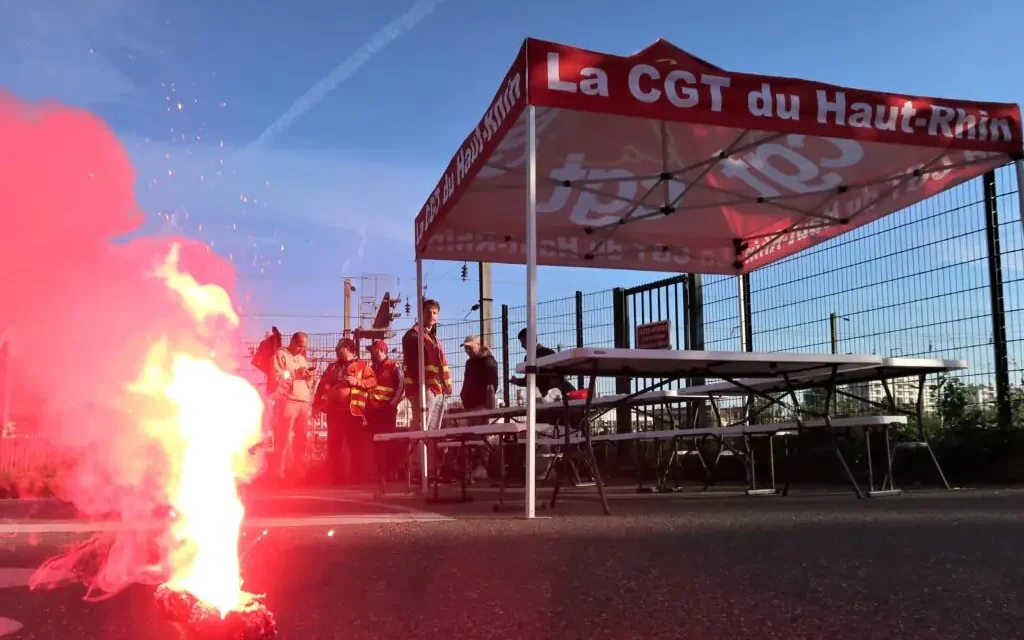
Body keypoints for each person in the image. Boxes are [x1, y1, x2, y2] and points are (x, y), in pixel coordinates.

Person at [313, 338, 376, 485]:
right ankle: (336, 478)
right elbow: (321, 385)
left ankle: (357, 477)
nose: (336, 350)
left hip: (353, 413)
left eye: (339, 347)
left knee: (356, 446)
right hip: (334, 413)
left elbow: (373, 381)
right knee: (334, 446)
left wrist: (358, 382)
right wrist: (316, 405)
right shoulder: (332, 367)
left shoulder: (362, 366)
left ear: (348, 348)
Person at [270, 332, 314, 483]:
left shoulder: (302, 359)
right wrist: (295, 372)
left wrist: (308, 378)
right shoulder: (281, 354)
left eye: (304, 347)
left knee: (301, 439)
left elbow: (306, 381)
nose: (301, 349)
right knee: (284, 439)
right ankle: (279, 473)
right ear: (293, 341)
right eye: (300, 346)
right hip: (288, 400)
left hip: (303, 401)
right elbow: (277, 376)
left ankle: (298, 472)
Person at [401, 298, 452, 428]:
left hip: (437, 389)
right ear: (421, 314)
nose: (431, 316)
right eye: (428, 312)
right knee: (421, 426)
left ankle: (429, 449)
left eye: (434, 313)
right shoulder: (413, 335)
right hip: (424, 388)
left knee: (432, 428)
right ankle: (416, 448)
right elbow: (412, 366)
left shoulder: (433, 338)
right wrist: (422, 387)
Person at [365, 340, 404, 481]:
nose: (370, 353)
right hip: (373, 412)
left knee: (388, 442)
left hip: (386, 412)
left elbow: (401, 387)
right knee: (377, 443)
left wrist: (391, 405)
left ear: (380, 350)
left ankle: (390, 472)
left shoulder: (393, 366)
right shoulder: (371, 369)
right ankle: (380, 472)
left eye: (372, 350)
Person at [509, 328, 574, 400]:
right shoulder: (548, 352)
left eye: (522, 342)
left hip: (553, 394)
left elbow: (531, 379)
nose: (522, 345)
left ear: (528, 340)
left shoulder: (530, 357)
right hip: (560, 392)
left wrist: (517, 381)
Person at [460, 335, 497, 411]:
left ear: (478, 345)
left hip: (482, 406)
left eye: (470, 347)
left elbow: (492, 385)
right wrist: (463, 396)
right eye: (466, 348)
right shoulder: (469, 363)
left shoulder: (488, 361)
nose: (467, 350)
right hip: (470, 406)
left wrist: (486, 404)